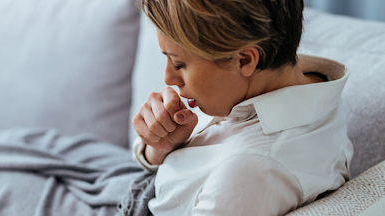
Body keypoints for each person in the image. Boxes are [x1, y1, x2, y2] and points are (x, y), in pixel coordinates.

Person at [131, 0, 353, 215]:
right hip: (138, 181)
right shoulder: (312, 87)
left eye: (179, 64)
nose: (168, 78)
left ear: (245, 60)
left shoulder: (249, 170)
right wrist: (160, 147)